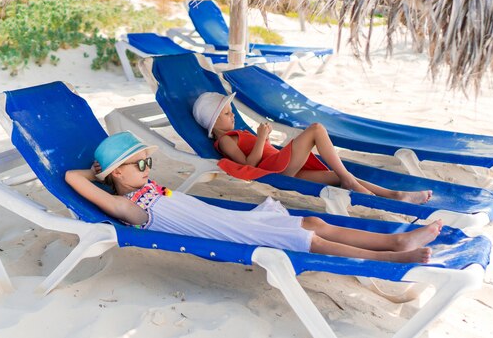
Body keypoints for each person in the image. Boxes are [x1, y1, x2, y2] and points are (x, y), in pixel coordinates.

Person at [65, 131, 441, 263]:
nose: (147, 166)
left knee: (315, 222)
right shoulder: (126, 207)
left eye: (147, 160)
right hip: (229, 235)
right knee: (310, 240)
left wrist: (113, 170)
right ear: (116, 173)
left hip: (238, 221)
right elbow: (70, 177)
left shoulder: (145, 187)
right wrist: (96, 174)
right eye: (137, 163)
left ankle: (396, 239)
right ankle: (388, 256)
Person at [192, 92, 433, 204]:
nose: (232, 115)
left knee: (335, 176)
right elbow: (248, 166)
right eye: (226, 113)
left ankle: (396, 195)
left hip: (283, 165)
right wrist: (262, 139)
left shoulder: (236, 133)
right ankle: (348, 179)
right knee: (316, 129)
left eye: (231, 111)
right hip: (275, 170)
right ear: (214, 122)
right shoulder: (224, 140)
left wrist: (262, 140)